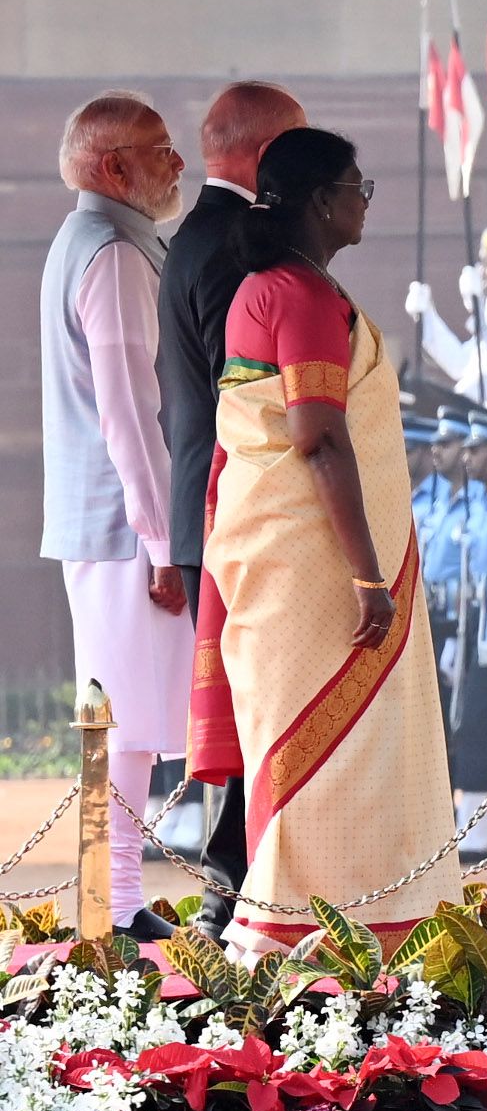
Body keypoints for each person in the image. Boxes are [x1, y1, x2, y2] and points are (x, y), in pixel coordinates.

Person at [202, 127, 459, 952]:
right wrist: (367, 577)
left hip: (286, 552)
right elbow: (317, 439)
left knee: (347, 742)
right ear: (322, 201)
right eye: (358, 187)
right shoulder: (299, 296)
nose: (364, 202)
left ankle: (357, 918)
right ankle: (292, 927)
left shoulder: (283, 288)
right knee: (321, 743)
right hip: (310, 563)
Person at [38, 93, 192, 929]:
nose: (177, 163)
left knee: (124, 716)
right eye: (160, 150)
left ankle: (116, 898)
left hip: (111, 515)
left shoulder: (91, 240)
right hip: (127, 519)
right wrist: (164, 541)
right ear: (115, 168)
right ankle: (115, 901)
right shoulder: (114, 254)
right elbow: (129, 411)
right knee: (122, 718)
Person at [162, 79, 305, 910]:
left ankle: (240, 885)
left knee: (249, 703)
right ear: (265, 153)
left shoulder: (205, 234)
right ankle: (238, 892)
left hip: (215, 507)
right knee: (253, 704)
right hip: (236, 507)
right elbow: (246, 396)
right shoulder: (230, 246)